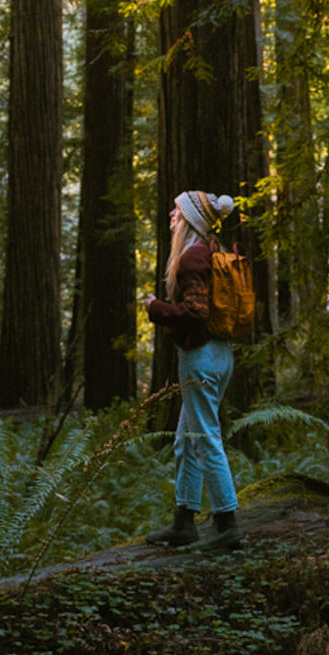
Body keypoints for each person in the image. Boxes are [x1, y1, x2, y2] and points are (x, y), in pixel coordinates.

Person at [143, 189, 244, 554]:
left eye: (176, 212)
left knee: (203, 438)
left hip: (200, 358)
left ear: (189, 220)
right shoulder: (214, 252)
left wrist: (156, 308)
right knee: (187, 439)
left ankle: (227, 522)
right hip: (220, 354)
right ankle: (184, 521)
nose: (171, 216)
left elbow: (195, 312)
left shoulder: (192, 259)